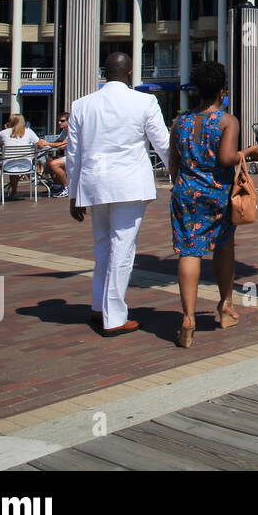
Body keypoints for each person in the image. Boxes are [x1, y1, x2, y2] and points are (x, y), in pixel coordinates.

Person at [67, 52, 171, 337]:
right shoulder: (144, 101)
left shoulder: (81, 105)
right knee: (122, 250)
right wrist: (180, 174)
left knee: (102, 247)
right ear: (129, 72)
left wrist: (73, 194)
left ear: (106, 72)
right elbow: (163, 145)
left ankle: (98, 306)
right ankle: (113, 317)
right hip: (129, 185)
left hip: (93, 184)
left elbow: (72, 155)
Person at [168, 61, 258, 349]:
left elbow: (173, 161)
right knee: (223, 247)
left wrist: (184, 183)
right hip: (216, 194)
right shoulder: (227, 121)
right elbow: (225, 158)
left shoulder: (181, 121)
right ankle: (225, 306)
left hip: (185, 193)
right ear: (222, 91)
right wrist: (248, 152)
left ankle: (187, 318)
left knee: (188, 251)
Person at [0, 114, 40, 200]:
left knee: (13, 163)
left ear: (10, 122)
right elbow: (40, 144)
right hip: (27, 166)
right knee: (18, 163)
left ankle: (14, 191)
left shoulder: (2, 133)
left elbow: (2, 146)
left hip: (8, 166)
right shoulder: (29, 132)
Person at [37, 112, 69, 198]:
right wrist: (47, 145)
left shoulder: (72, 130)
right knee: (49, 160)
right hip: (69, 156)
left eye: (62, 121)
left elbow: (62, 145)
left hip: (76, 157)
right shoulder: (64, 131)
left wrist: (47, 143)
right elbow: (57, 142)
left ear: (69, 121)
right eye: (59, 121)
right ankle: (57, 186)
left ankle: (67, 188)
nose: (59, 123)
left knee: (54, 164)